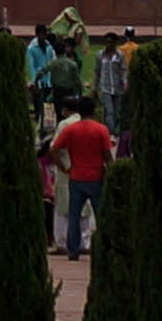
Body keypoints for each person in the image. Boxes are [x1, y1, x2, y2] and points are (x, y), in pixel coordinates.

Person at [50, 101, 116, 256]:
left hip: (76, 177)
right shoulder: (101, 129)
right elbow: (107, 155)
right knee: (100, 214)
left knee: (74, 216)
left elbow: (54, 150)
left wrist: (63, 167)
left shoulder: (71, 130)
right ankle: (105, 247)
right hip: (96, 177)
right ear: (93, 111)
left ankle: (73, 250)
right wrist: (112, 172)